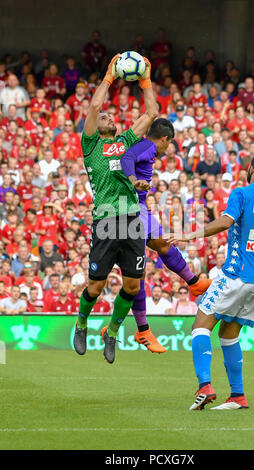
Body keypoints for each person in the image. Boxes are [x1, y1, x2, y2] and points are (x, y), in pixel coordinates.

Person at [165, 152, 254, 410]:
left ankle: (204, 385)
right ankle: (237, 395)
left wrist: (190, 234)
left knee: (201, 326)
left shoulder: (241, 193)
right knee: (228, 333)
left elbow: (227, 221)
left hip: (236, 273)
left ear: (250, 169)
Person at [73, 53, 159, 364]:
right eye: (103, 116)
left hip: (132, 220)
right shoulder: (91, 145)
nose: (107, 116)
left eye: (111, 116)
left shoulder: (126, 141)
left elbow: (152, 112)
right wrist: (110, 76)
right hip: (106, 222)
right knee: (95, 287)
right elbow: (94, 107)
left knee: (133, 285)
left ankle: (112, 332)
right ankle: (82, 323)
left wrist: (145, 80)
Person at [121, 117, 211, 351]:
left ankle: (193, 283)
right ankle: (142, 330)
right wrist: (133, 180)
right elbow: (127, 158)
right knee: (137, 274)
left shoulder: (148, 148)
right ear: (164, 139)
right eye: (167, 145)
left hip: (141, 208)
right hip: (128, 210)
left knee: (163, 244)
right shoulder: (148, 147)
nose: (165, 150)